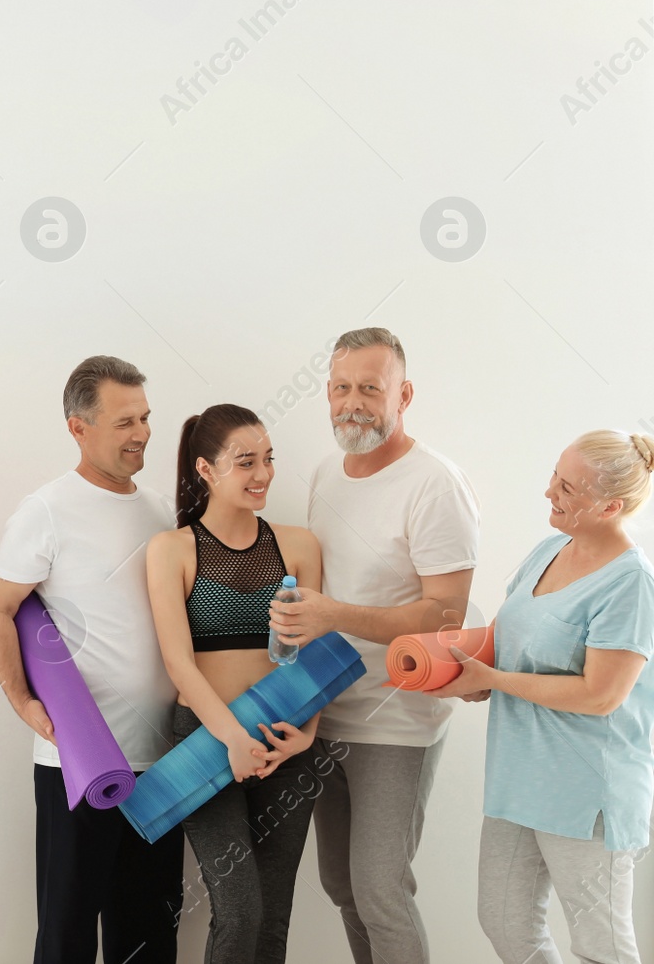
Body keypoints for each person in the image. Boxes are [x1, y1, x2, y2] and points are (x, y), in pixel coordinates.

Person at [267, 326, 480, 964]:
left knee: (380, 888)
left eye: (369, 388)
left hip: (398, 717)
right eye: (339, 388)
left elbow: (446, 612)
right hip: (327, 711)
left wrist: (335, 615)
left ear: (403, 394)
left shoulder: (435, 483)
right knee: (341, 885)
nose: (351, 402)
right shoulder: (329, 474)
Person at [0, 356, 183, 964]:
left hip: (163, 762)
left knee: (149, 935)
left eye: (145, 418)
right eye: (124, 421)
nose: (141, 433)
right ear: (78, 427)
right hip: (78, 762)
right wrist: (19, 699)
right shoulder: (45, 511)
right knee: (67, 934)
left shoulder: (160, 513)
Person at [429, 430, 654, 963]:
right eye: (555, 476)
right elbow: (516, 645)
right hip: (519, 778)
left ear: (610, 506)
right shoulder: (550, 548)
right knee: (504, 921)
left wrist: (494, 680)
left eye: (568, 488)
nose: (549, 492)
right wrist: (467, 671)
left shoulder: (632, 583)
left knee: (603, 946)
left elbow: (601, 696)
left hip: (586, 792)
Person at [145, 404, 323, 963]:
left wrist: (309, 733)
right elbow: (179, 664)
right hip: (206, 738)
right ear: (205, 468)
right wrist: (231, 739)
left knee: (273, 916)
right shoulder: (171, 549)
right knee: (240, 909)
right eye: (245, 462)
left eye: (268, 459)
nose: (263, 474)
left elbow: (313, 654)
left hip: (285, 738)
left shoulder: (299, 545)